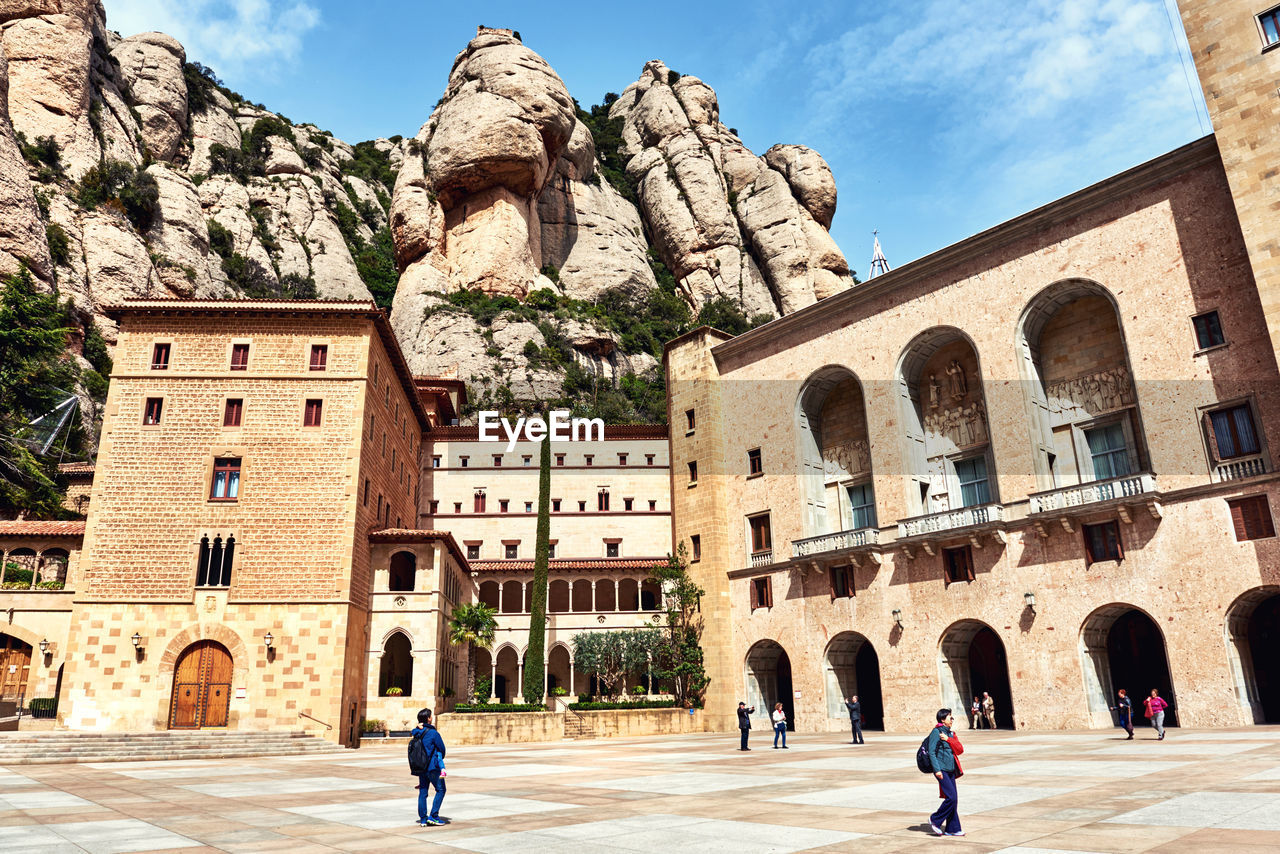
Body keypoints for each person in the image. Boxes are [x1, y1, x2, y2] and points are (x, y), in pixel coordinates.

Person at [926, 708, 965, 837]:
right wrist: (937, 770)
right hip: (941, 770)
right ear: (943, 720)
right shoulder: (936, 732)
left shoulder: (951, 734)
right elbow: (931, 752)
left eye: (952, 717)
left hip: (951, 770)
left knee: (954, 799)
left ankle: (952, 828)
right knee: (951, 797)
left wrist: (948, 739)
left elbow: (960, 749)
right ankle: (935, 819)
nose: (952, 720)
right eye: (950, 717)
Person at [409, 708, 446, 826]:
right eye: (430, 716)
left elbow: (413, 731)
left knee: (423, 792)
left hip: (421, 767)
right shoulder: (433, 733)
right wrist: (440, 760)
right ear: (428, 718)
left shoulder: (417, 732)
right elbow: (442, 748)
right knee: (441, 790)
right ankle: (434, 816)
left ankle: (423, 819)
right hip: (432, 767)